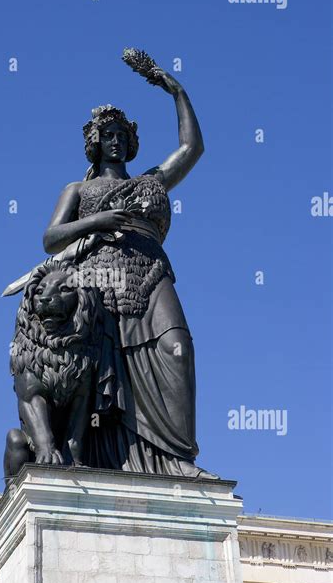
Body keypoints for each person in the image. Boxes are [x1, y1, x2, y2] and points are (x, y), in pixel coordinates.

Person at [42, 68, 217, 479]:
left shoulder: (151, 181)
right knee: (105, 369)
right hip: (100, 279)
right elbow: (51, 238)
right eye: (108, 136)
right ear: (95, 143)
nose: (116, 141)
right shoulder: (78, 191)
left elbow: (192, 148)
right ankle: (104, 455)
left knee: (178, 348)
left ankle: (176, 458)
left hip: (152, 271)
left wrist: (176, 90)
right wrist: (98, 220)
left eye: (122, 135)